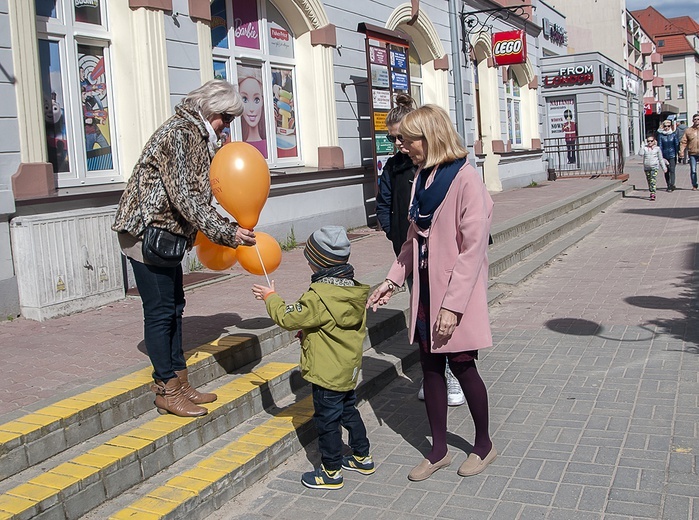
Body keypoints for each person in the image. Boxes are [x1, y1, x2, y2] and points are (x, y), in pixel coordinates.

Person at [112, 80, 256, 417]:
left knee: (175, 306)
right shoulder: (181, 132)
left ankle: (179, 380)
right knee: (161, 311)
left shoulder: (197, 135)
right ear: (210, 109)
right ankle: (166, 389)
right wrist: (227, 232)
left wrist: (227, 223)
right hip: (146, 232)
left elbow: (198, 193)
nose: (227, 126)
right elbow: (186, 196)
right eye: (226, 118)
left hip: (167, 234)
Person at [367, 105, 496, 481]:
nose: (403, 146)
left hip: (456, 295)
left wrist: (453, 308)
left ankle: (483, 445)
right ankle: (438, 450)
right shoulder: (423, 178)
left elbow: (473, 251)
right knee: (430, 368)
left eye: (408, 139)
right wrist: (392, 280)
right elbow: (412, 241)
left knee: (463, 366)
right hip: (425, 291)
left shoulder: (466, 179)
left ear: (431, 137)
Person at [252, 226, 374, 490]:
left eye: (309, 257)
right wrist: (309, 332)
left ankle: (331, 472)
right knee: (348, 411)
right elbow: (334, 326)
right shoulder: (354, 290)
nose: (307, 261)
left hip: (326, 373)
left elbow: (286, 316)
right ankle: (363, 456)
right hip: (347, 370)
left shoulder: (318, 295)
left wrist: (270, 297)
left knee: (327, 421)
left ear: (319, 262)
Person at [375, 94, 465, 407]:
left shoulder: (451, 170)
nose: (398, 143)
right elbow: (385, 204)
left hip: (447, 259)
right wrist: (394, 233)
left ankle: (454, 374)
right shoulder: (397, 168)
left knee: (448, 317)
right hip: (413, 253)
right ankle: (434, 374)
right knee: (423, 313)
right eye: (393, 137)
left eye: (402, 136)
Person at [238, 67, 267, 157]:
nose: (251, 108)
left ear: (262, 101)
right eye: (245, 99)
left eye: (256, 100)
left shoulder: (270, 147)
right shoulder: (237, 145)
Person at [640, 134, 666, 201]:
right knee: (649, 180)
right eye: (648, 141)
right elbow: (640, 154)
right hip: (647, 167)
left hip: (654, 167)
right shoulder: (645, 148)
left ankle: (653, 193)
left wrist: (664, 167)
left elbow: (660, 159)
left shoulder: (657, 149)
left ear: (654, 141)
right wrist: (642, 147)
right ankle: (651, 190)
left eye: (651, 141)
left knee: (653, 180)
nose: (650, 143)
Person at [657, 119, 679, 191]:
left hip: (672, 155)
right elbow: (660, 146)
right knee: (666, 170)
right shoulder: (660, 135)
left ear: (671, 126)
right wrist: (661, 156)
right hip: (664, 155)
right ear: (663, 127)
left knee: (672, 170)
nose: (666, 127)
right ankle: (668, 184)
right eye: (665, 126)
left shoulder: (674, 134)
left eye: (668, 126)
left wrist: (678, 153)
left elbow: (676, 144)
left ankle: (672, 185)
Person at [679, 113, 699, 190]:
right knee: (693, 170)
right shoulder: (688, 130)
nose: (697, 121)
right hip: (692, 153)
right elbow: (683, 142)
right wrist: (681, 151)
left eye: (698, 119)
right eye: (695, 119)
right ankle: (694, 185)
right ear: (692, 120)